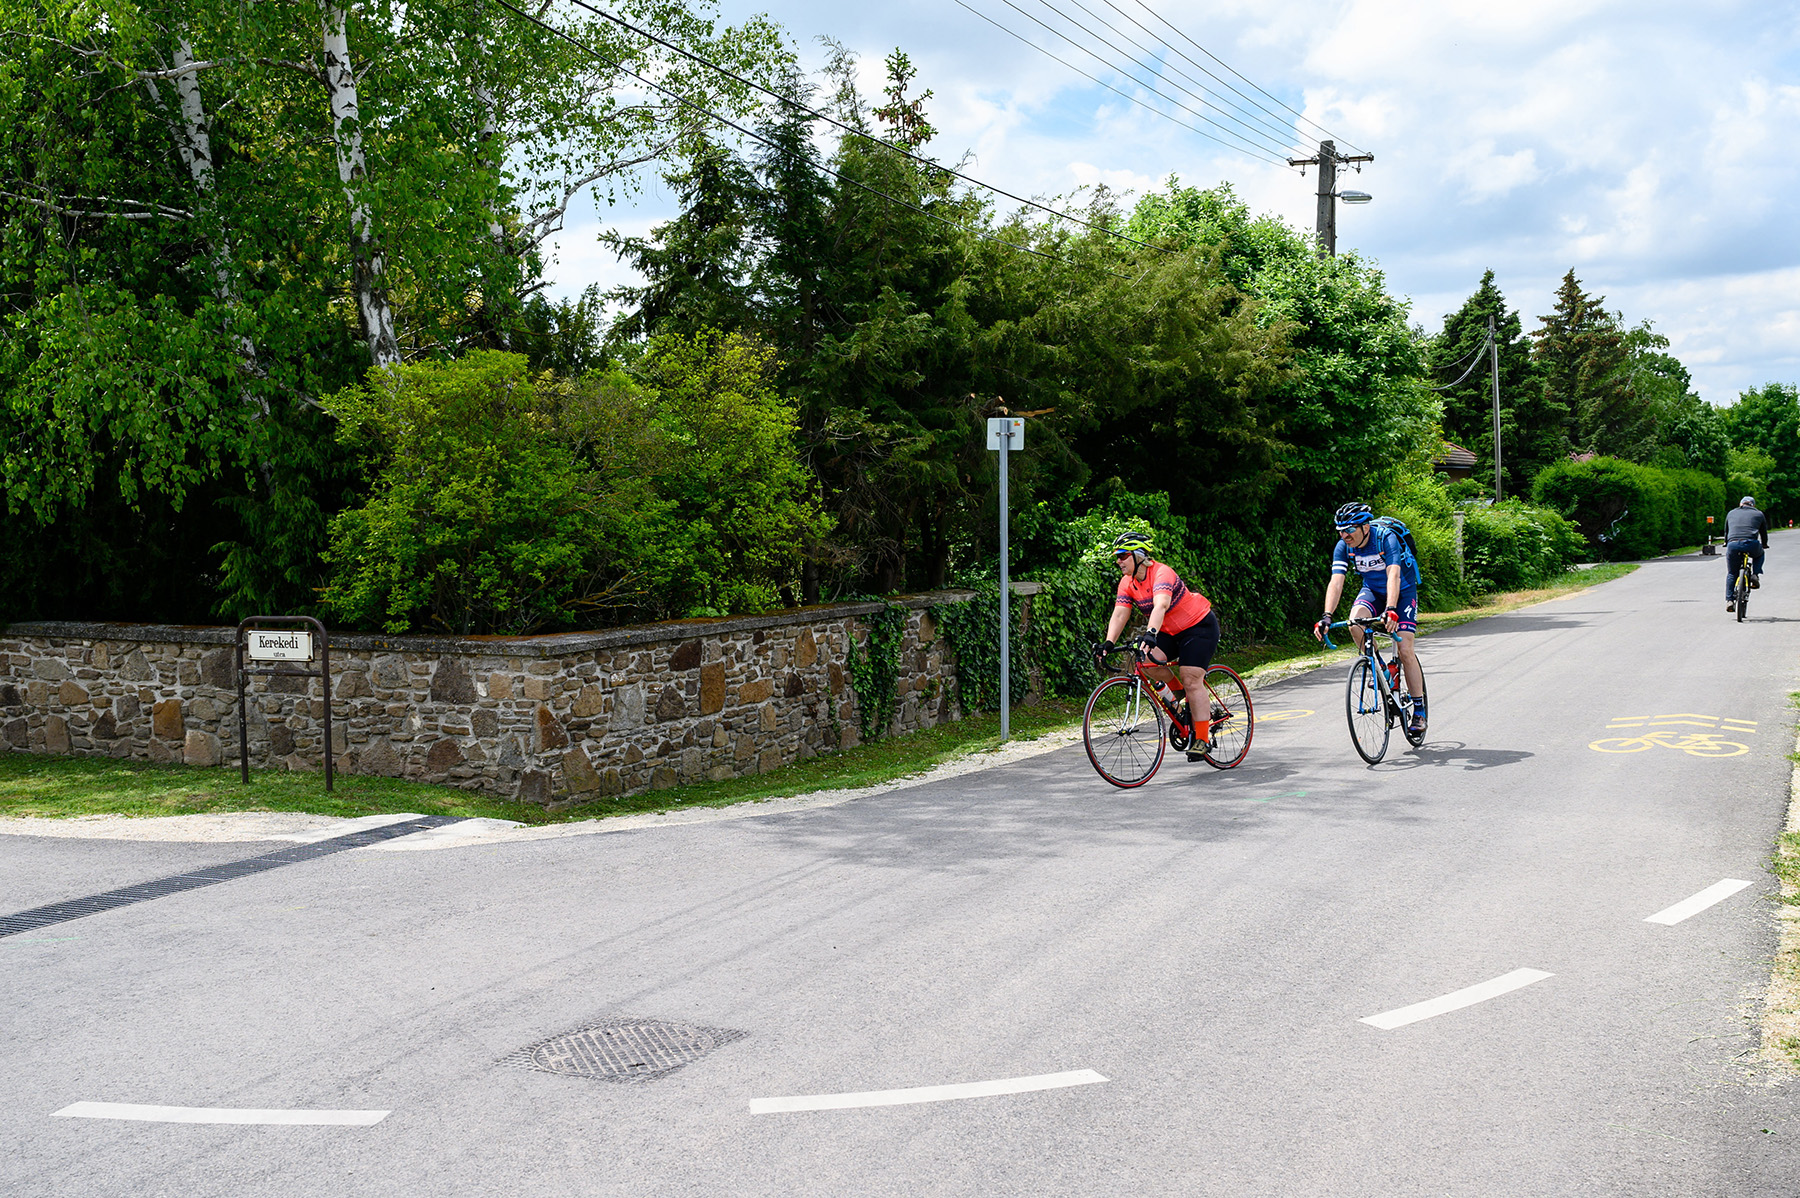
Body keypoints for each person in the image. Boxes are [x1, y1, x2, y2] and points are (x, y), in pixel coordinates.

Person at [1091, 530, 1222, 760]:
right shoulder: (1127, 583)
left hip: (1198, 626)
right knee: (1147, 661)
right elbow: (1120, 614)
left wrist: (1150, 633)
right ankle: (1180, 693)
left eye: (1123, 555)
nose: (1118, 561)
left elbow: (1161, 605)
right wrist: (1109, 642)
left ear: (1139, 555)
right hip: (1170, 631)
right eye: (1117, 557)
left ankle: (1202, 738)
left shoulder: (1162, 573)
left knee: (1191, 677)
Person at [1312, 502, 1426, 735]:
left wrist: (1392, 608)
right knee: (1355, 623)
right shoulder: (1344, 546)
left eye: (1349, 529)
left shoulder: (1386, 539)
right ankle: (1382, 669)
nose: (1344, 535)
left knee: (1404, 649)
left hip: (1402, 592)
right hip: (1373, 591)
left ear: (1365, 527)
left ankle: (1419, 711)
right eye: (1340, 530)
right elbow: (1336, 581)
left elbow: (1393, 574)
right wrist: (1326, 616)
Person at [1725, 495, 1769, 612]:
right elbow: (1763, 533)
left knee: (1732, 573)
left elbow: (1727, 531)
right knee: (1760, 554)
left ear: (1741, 504)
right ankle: (1755, 574)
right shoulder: (1759, 514)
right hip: (1751, 543)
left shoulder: (1731, 513)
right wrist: (1764, 544)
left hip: (1732, 544)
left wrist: (1726, 543)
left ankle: (1729, 600)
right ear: (1753, 505)